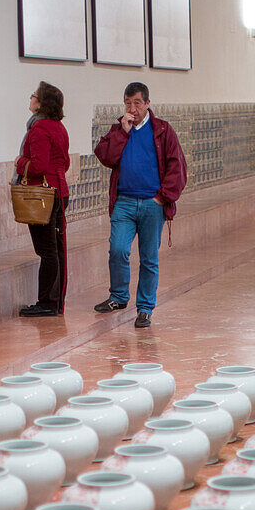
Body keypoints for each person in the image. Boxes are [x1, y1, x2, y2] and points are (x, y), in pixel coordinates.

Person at [93, 82, 187, 328]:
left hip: (151, 204)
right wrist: (122, 132)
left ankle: (145, 308)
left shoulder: (163, 131)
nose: (132, 108)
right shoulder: (119, 129)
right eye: (127, 103)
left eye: (136, 102)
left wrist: (162, 197)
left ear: (147, 103)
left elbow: (177, 167)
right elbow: (105, 156)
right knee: (118, 249)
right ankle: (119, 297)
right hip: (124, 201)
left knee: (148, 258)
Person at [16, 81, 70, 317]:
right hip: (59, 192)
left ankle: (47, 302)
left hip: (43, 196)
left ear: (41, 103)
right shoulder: (59, 127)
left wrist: (19, 163)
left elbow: (38, 165)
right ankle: (56, 301)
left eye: (33, 95)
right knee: (56, 249)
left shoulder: (39, 129)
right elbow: (64, 163)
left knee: (46, 251)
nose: (30, 98)